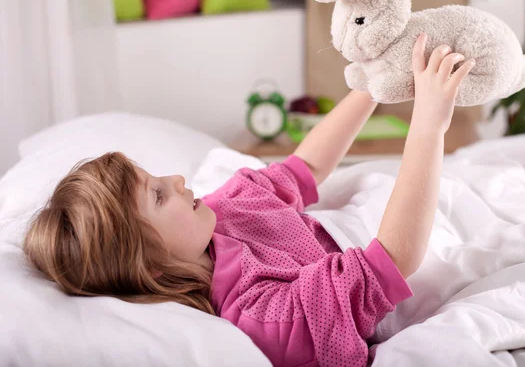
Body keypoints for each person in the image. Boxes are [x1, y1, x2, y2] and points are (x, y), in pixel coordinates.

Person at [23, 33, 475, 367]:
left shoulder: (226, 208)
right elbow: (393, 260)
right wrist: (428, 125)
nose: (178, 178)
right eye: (158, 195)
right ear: (151, 264)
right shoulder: (263, 316)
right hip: (427, 246)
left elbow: (307, 168)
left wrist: (374, 84)